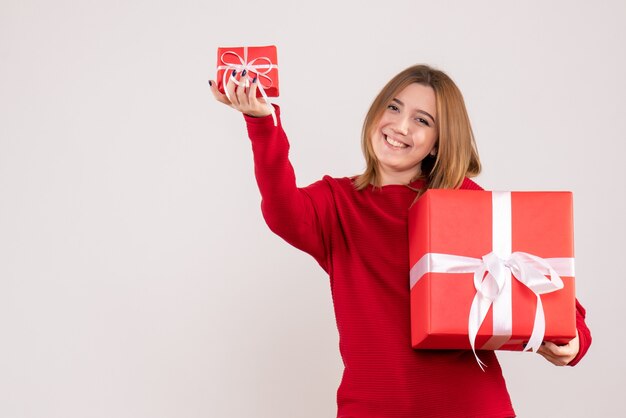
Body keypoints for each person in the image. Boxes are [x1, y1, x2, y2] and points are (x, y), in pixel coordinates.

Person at [209, 64, 592, 417]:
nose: (401, 126)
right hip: (370, 407)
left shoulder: (464, 202)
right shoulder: (337, 203)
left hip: (470, 407)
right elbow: (282, 210)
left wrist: (574, 341)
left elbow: (553, 294)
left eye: (421, 120)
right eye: (393, 108)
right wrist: (263, 124)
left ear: (439, 142)